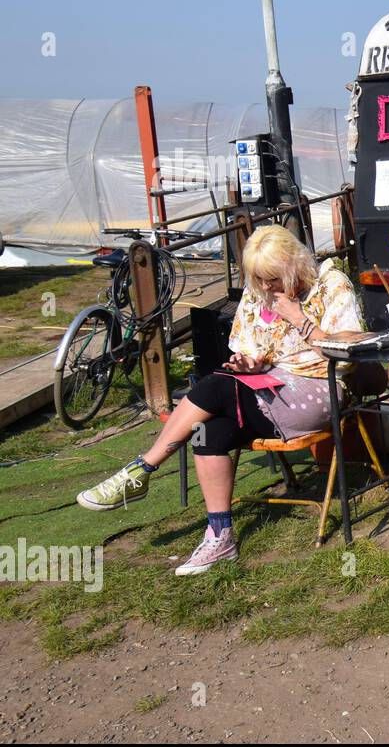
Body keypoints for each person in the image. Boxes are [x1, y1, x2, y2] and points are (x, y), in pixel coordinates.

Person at [76, 225, 365, 575]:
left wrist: (299, 318)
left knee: (215, 388)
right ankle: (220, 536)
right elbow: (252, 345)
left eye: (272, 278)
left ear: (293, 264)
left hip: (321, 387)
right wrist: (250, 361)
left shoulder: (332, 285)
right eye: (259, 279)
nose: (266, 287)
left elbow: (349, 355)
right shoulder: (259, 291)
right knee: (210, 431)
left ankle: (142, 469)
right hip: (270, 386)